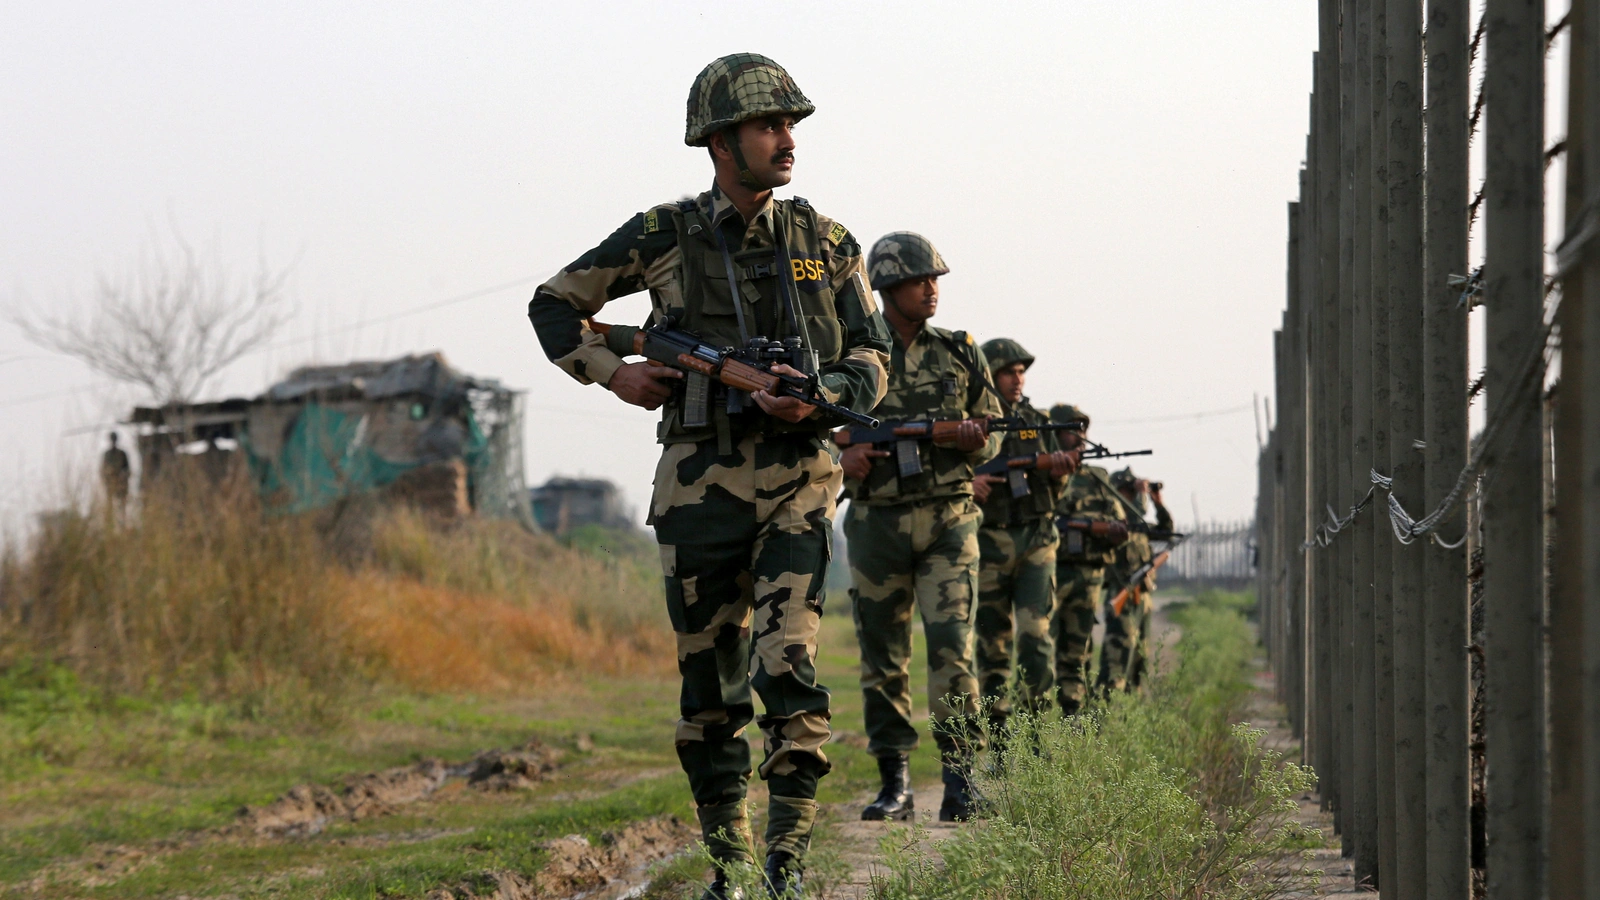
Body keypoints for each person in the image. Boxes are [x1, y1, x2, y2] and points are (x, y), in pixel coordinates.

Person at [525, 54, 891, 899]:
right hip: (694, 490)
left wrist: (825, 395)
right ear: (722, 141)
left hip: (800, 480)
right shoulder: (662, 234)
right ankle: (729, 867)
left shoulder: (828, 244)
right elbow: (554, 303)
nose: (787, 139)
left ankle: (787, 864)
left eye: (791, 124)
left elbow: (873, 356)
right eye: (771, 125)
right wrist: (611, 370)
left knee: (787, 666)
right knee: (709, 687)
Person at [839, 231, 1001, 823]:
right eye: (919, 279)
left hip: (948, 521)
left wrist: (970, 441)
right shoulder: (850, 352)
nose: (932, 289)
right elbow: (810, 424)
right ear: (886, 286)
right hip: (876, 521)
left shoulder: (960, 351)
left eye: (935, 279)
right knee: (882, 656)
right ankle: (895, 784)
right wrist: (843, 457)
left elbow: (997, 432)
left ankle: (961, 783)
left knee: (953, 651)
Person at [970, 339, 1074, 733]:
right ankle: (997, 734)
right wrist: (972, 482)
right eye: (1008, 372)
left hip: (1036, 540)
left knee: (1035, 635)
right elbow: (950, 473)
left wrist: (1058, 472)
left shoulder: (1038, 421)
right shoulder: (971, 420)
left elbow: (1056, 491)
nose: (1018, 379)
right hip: (987, 540)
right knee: (992, 643)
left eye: (1021, 372)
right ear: (990, 375)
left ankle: (1034, 734)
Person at [1046, 405, 1132, 714]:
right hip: (1049, 571)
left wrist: (1107, 529)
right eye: (1072, 429)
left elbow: (1122, 524)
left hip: (1088, 575)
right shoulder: (1043, 471)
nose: (1080, 436)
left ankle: (1073, 715)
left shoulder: (1098, 477)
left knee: (1077, 652)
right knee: (1039, 650)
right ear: (1054, 433)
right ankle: (1034, 724)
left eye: (1083, 429)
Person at [1096, 468, 1172, 694]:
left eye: (1134, 490)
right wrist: (1140, 496)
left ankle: (1132, 701)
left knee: (1140, 656)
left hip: (1142, 596)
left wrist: (1157, 503)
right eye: (1129, 491)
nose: (1134, 494)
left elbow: (1167, 532)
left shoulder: (1139, 526)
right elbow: (1130, 516)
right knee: (1117, 655)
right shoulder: (1113, 522)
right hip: (1123, 595)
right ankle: (1103, 705)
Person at [100, 432, 131, 520]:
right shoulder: (107, 454)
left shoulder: (122, 454)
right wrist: (108, 476)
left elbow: (127, 469)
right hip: (110, 484)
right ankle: (109, 523)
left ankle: (122, 524)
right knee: (109, 505)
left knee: (122, 507)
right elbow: (103, 470)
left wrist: (122, 477)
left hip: (121, 484)